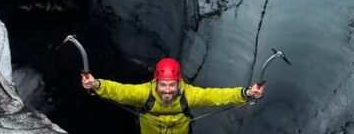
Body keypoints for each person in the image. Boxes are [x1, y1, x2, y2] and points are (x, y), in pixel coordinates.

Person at [81, 57, 265, 134]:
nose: (167, 90)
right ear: (156, 83)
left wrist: (246, 93)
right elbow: (121, 91)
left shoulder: (189, 95)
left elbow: (216, 95)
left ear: (179, 83)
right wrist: (97, 84)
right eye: (163, 85)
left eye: (171, 85)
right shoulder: (145, 93)